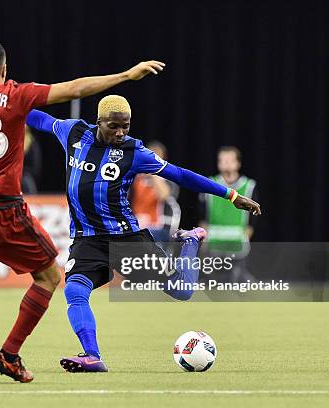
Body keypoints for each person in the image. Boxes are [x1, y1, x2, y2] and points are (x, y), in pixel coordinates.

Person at [0, 40, 165, 383]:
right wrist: (126, 75)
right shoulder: (16, 94)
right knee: (49, 277)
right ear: (5, 68)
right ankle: (9, 354)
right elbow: (74, 88)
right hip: (2, 207)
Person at [26, 95, 261, 372]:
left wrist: (231, 194)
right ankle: (92, 355)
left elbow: (181, 175)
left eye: (125, 126)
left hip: (126, 239)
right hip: (87, 239)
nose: (121, 132)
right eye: (114, 126)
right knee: (75, 291)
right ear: (99, 121)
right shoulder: (74, 132)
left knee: (182, 291)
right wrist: (8, 104)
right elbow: (39, 119)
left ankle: (190, 241)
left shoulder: (133, 152)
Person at [199, 146, 258, 282]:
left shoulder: (249, 186)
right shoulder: (209, 183)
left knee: (238, 282)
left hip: (237, 245)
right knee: (212, 284)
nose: (226, 164)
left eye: (229, 160)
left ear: (238, 163)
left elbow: (253, 220)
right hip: (213, 243)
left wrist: (245, 236)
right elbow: (202, 215)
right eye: (222, 160)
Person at [130, 141, 181, 242]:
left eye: (156, 157)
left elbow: (164, 196)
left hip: (158, 228)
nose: (151, 160)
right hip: (137, 225)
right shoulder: (135, 179)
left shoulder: (169, 181)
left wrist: (154, 172)